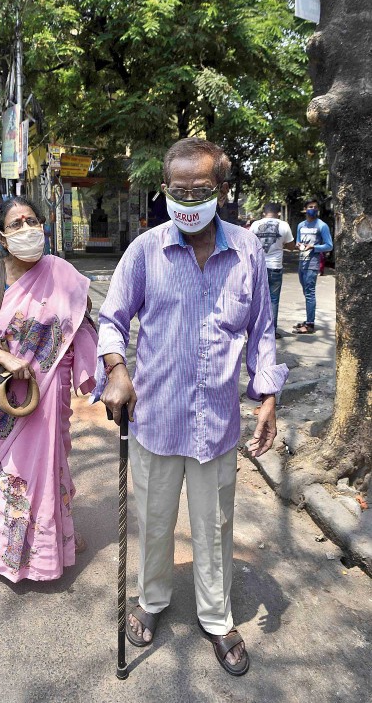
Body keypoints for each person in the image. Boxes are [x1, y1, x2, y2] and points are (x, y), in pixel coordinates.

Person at [94, 138, 288, 676]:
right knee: (154, 523)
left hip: (217, 425)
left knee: (215, 525)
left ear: (222, 192)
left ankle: (217, 616)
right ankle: (151, 600)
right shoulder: (145, 250)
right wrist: (116, 371)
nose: (187, 202)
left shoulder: (247, 251)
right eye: (177, 191)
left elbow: (262, 331)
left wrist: (268, 395)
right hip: (155, 420)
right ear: (164, 190)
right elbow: (111, 321)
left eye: (200, 191)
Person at [0, 196, 97, 582]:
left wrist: (101, 375)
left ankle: (55, 542)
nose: (26, 229)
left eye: (32, 220)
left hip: (53, 397)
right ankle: (13, 555)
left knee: (54, 465)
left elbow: (82, 325)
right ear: (1, 236)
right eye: (16, 224)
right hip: (9, 399)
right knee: (14, 474)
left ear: (44, 227)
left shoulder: (61, 272)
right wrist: (4, 359)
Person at [250, 202, 295, 338]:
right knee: (273, 300)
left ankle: (255, 330)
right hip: (275, 267)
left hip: (258, 267)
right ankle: (271, 331)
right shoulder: (284, 225)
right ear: (278, 213)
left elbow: (248, 243)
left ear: (264, 212)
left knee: (256, 299)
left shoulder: (255, 225)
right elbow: (291, 246)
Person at [293, 200, 333, 335]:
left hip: (313, 264)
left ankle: (310, 324)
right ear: (305, 209)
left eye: (315, 207)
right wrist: (298, 245)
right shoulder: (300, 225)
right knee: (306, 292)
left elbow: (329, 245)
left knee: (310, 293)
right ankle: (308, 319)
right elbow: (298, 241)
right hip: (301, 262)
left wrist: (314, 247)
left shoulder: (322, 226)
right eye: (310, 207)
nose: (313, 209)